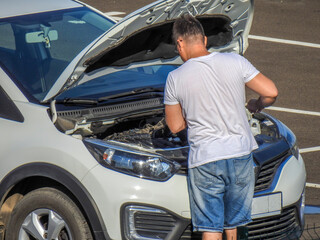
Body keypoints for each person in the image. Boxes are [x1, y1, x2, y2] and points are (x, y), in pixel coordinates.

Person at [164, 14, 278, 240]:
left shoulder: (175, 78)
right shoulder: (235, 61)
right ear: (204, 40)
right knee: (233, 225)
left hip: (206, 159)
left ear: (179, 43)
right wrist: (257, 104)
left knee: (210, 228)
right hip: (240, 155)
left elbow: (175, 125)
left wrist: (194, 111)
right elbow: (271, 92)